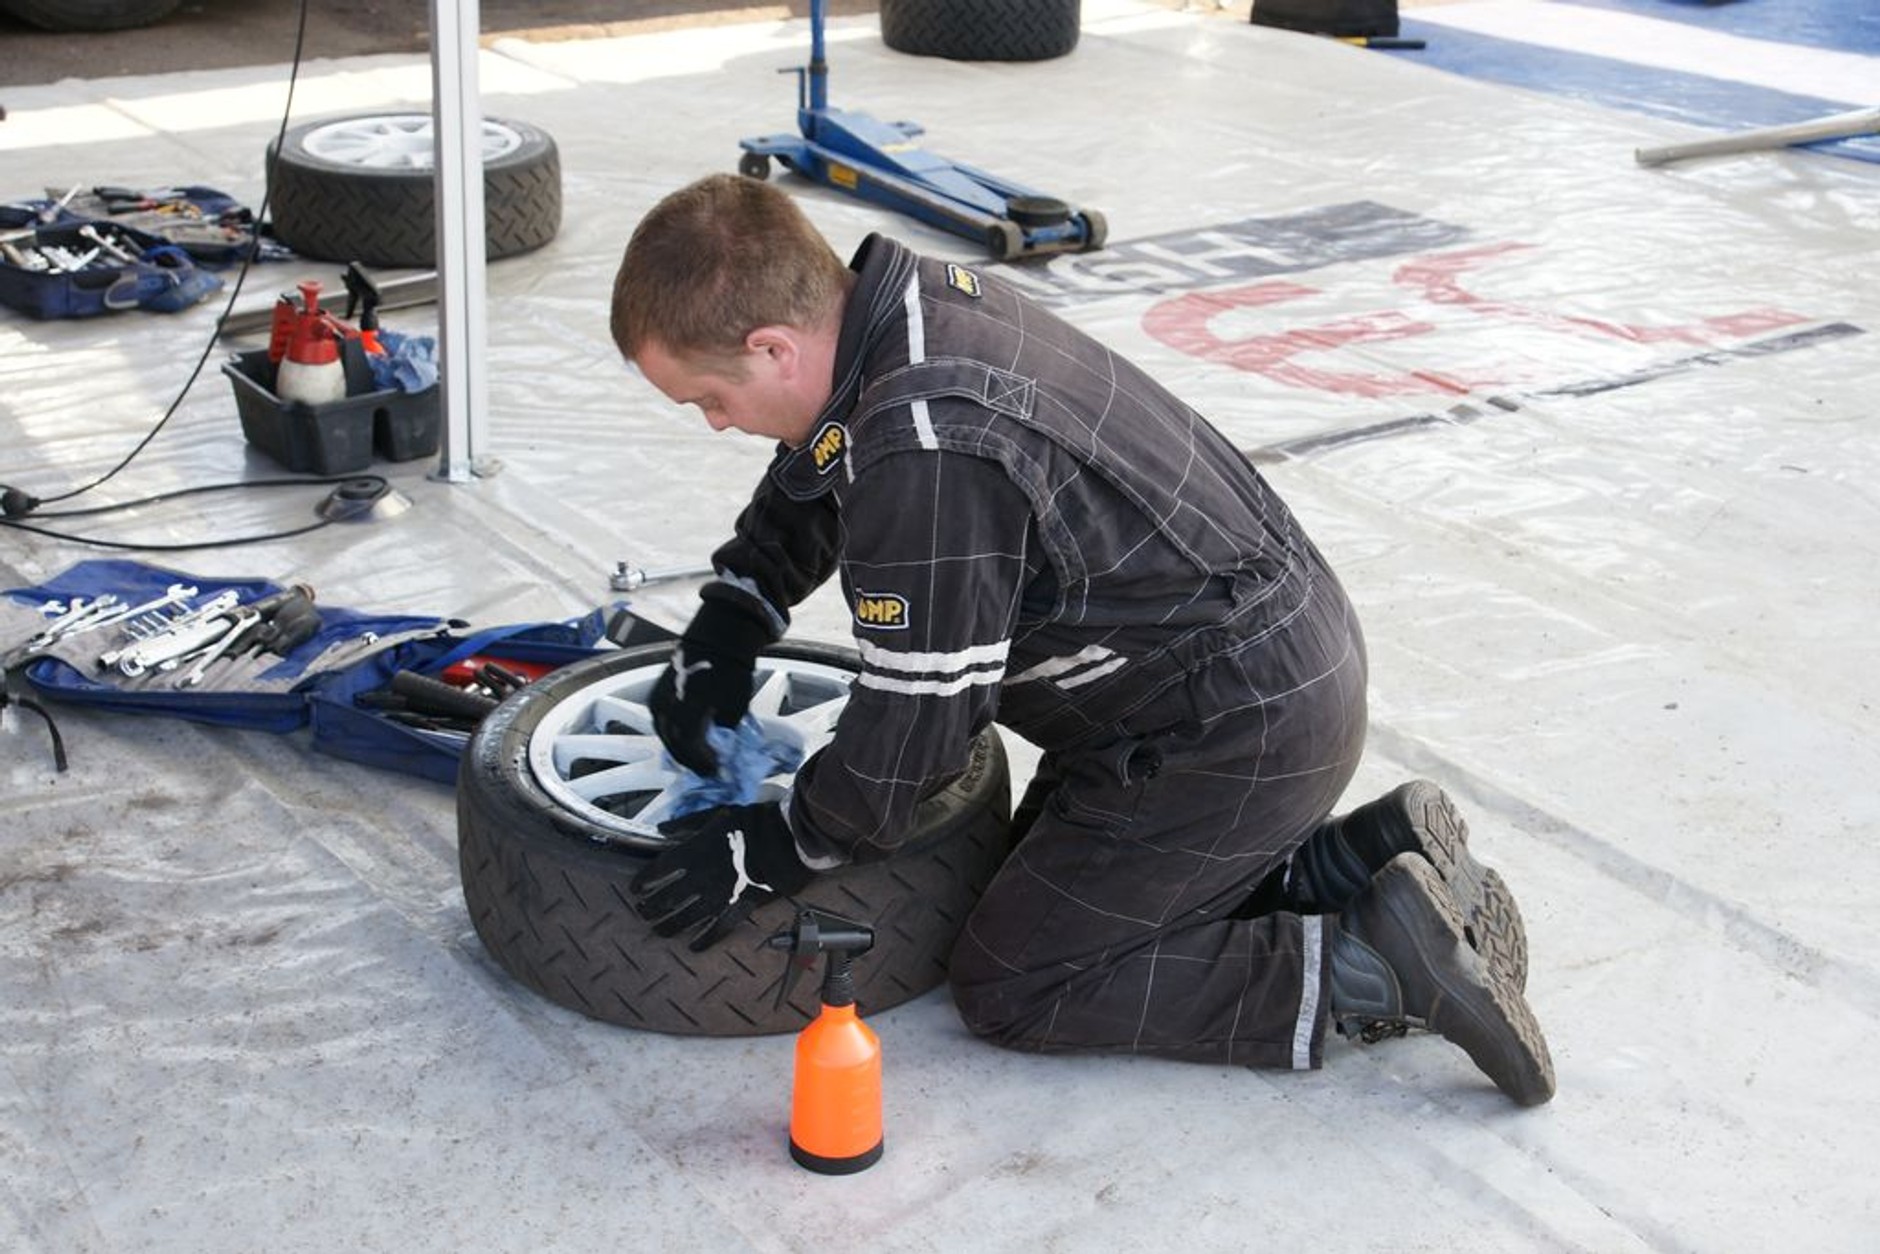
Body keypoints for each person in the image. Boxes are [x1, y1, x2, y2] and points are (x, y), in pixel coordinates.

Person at [609, 173, 1554, 1107]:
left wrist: (775, 847)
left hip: (1232, 724)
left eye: (708, 399)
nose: (717, 424)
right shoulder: (903, 311)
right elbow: (830, 449)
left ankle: (1373, 960)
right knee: (1030, 894)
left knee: (1020, 979)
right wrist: (736, 612)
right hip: (1236, 662)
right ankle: (1362, 860)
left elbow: (918, 728)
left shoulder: (928, 452)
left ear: (774, 347)